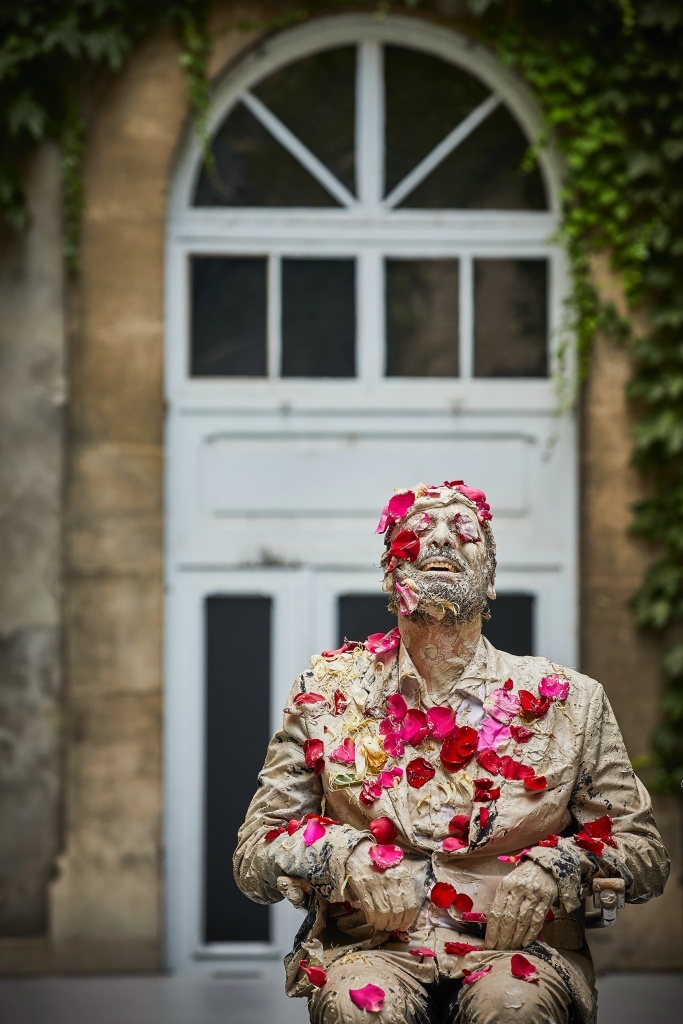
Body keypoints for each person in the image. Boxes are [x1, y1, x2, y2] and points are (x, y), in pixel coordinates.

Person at [234, 481, 669, 1024]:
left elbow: (644, 855)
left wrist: (556, 867)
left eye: (464, 533)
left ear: (489, 580)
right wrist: (343, 856)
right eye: (416, 531)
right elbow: (255, 854)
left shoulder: (573, 701)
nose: (440, 538)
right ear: (391, 574)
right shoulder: (325, 692)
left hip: (518, 954)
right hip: (373, 954)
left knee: (514, 1009)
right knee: (358, 1011)